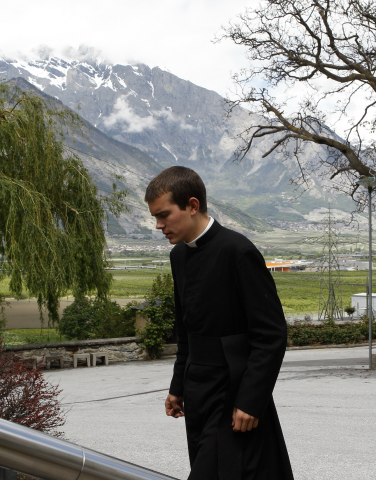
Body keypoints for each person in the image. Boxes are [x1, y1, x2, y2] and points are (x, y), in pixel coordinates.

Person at [145, 166, 294, 480]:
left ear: (193, 206)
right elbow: (186, 329)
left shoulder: (237, 251)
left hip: (233, 392)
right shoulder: (179, 257)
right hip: (198, 394)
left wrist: (252, 401)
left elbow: (271, 334)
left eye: (164, 215)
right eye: (155, 217)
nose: (158, 225)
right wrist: (178, 386)